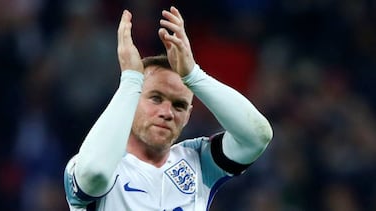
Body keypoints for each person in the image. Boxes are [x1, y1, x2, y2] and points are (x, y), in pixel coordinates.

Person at [64, 6, 273, 211]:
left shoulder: (198, 162)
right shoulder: (91, 162)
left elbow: (257, 136)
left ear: (188, 116)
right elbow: (95, 173)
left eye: (179, 105)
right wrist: (131, 80)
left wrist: (194, 75)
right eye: (155, 98)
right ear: (131, 102)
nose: (167, 112)